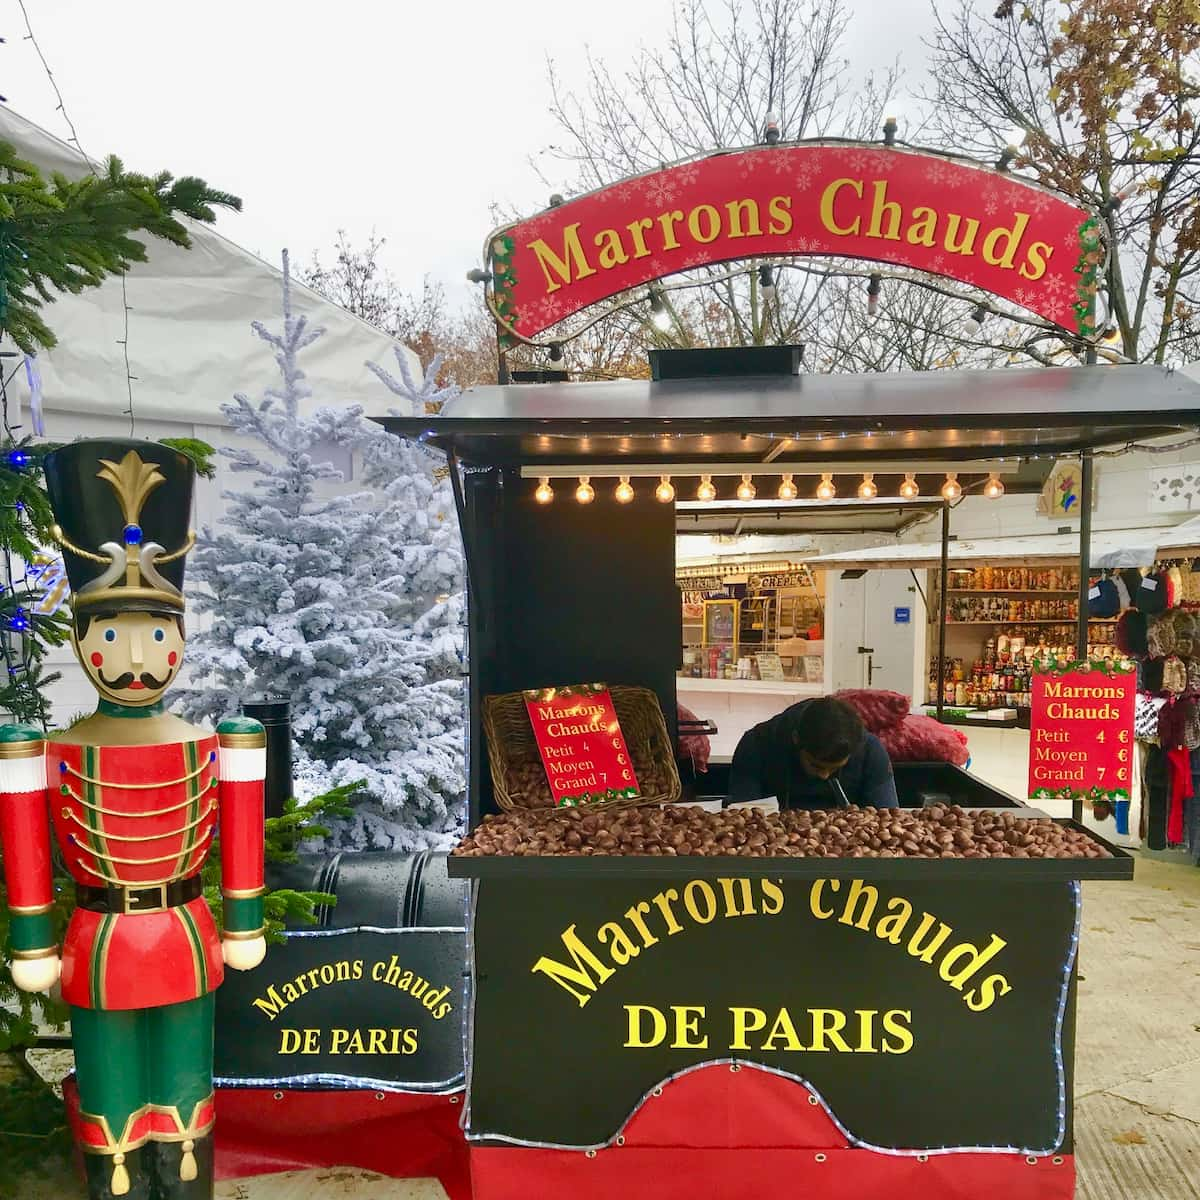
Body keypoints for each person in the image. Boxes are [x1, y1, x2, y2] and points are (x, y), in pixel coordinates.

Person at [728, 696, 899, 809]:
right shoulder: (757, 745)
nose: (824, 776)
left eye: (834, 769)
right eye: (816, 766)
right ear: (796, 739)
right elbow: (744, 819)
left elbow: (886, 816)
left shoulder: (870, 750)